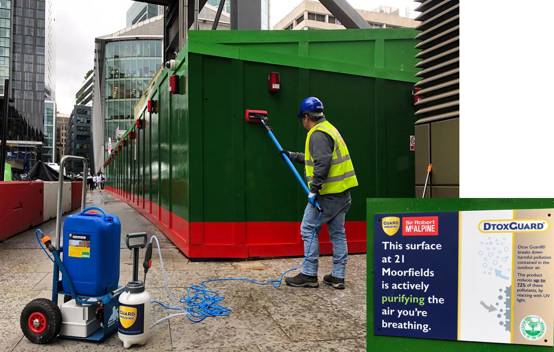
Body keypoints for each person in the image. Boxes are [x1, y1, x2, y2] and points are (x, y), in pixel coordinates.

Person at [283, 97, 358, 290]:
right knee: (338, 234)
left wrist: (314, 189)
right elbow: (317, 158)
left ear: (307, 117)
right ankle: (338, 276)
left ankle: (308, 274)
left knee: (308, 229)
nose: (303, 123)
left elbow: (322, 163)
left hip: (327, 196)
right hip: (342, 194)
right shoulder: (330, 129)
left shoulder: (317, 134)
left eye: (302, 119)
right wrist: (293, 156)